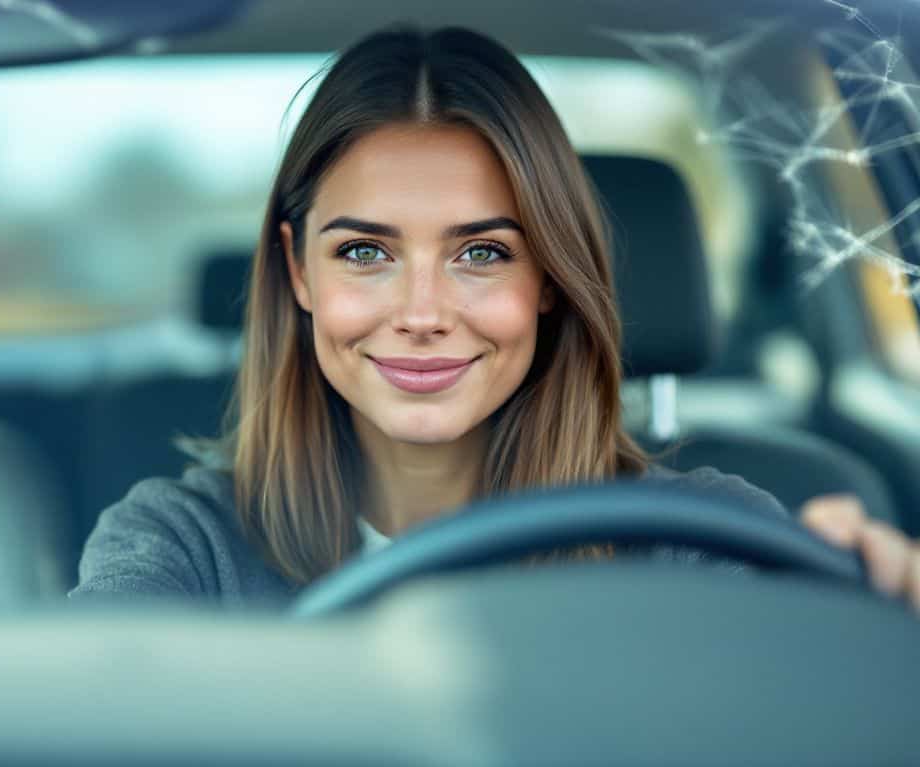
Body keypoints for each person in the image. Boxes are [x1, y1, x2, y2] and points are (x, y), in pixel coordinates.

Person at [70, 24, 920, 611]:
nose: (424, 314)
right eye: (365, 252)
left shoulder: (701, 539)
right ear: (297, 271)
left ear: (549, 276)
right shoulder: (183, 547)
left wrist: (879, 625)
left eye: (482, 253)